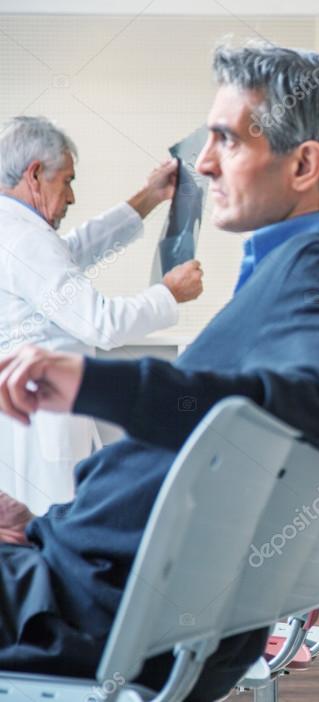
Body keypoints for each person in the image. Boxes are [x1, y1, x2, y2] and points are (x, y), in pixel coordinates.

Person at [0, 43, 319, 699]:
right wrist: (36, 527)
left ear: (303, 164)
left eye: (224, 141)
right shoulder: (308, 268)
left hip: (84, 613)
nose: (204, 164)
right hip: (84, 587)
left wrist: (88, 380)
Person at [0, 115, 204, 513]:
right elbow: (102, 323)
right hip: (40, 431)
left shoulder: (16, 230)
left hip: (34, 421)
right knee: (50, 539)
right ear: (36, 174)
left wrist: (148, 197)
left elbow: (72, 252)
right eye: (68, 180)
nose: (72, 197)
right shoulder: (23, 238)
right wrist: (168, 295)